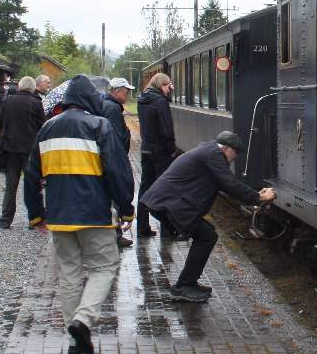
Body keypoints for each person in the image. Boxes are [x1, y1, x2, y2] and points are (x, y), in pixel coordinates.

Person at [25, 75, 135, 354]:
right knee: (104, 267)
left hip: (59, 216)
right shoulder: (100, 125)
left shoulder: (47, 129)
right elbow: (117, 171)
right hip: (94, 214)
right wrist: (126, 208)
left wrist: (37, 214)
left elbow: (31, 175)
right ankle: (82, 320)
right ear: (89, 100)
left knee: (69, 273)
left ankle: (75, 340)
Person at [141, 131, 275, 303]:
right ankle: (184, 286)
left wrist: (254, 194)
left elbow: (228, 184)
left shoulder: (209, 152)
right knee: (206, 236)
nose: (234, 158)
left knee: (206, 235)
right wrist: (259, 198)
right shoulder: (213, 155)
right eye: (234, 153)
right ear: (226, 148)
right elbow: (229, 183)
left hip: (168, 202)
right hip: (169, 204)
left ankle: (187, 283)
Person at [0, 76, 46, 229]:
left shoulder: (7, 102)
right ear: (32, 88)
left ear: (19, 86)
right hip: (30, 151)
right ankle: (34, 219)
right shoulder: (36, 103)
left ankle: (6, 219)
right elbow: (42, 127)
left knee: (11, 185)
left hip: (10, 149)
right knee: (32, 185)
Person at [135, 72, 177, 239]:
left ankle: (142, 227)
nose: (170, 89)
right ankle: (167, 231)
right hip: (161, 152)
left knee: (145, 189)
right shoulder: (160, 102)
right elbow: (167, 129)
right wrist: (171, 147)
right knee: (164, 190)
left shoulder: (142, 99)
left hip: (146, 149)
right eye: (168, 86)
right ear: (161, 85)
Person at [99, 78, 136, 248]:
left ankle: (113, 234)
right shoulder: (112, 108)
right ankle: (116, 235)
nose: (127, 94)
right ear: (116, 91)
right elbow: (114, 137)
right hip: (114, 157)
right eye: (125, 91)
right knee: (114, 198)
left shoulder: (108, 105)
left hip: (110, 157)